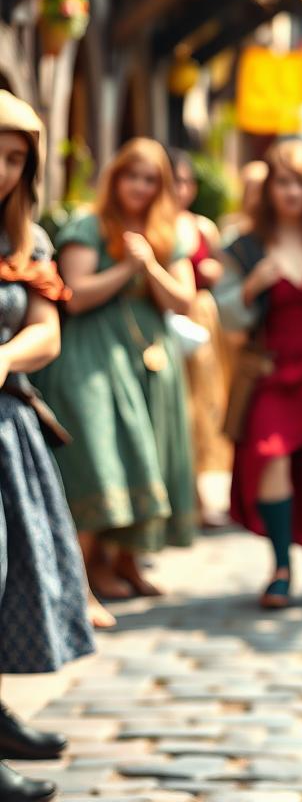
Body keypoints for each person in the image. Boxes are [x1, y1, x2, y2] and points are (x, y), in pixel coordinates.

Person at [34, 138, 197, 602]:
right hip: (94, 355)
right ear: (115, 178)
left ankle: (125, 563)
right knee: (104, 459)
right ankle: (87, 574)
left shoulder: (168, 231)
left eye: (150, 179)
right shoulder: (89, 225)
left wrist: (150, 266)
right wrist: (129, 267)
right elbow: (76, 293)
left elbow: (183, 300)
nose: (140, 188)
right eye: (132, 176)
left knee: (150, 458)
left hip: (148, 356)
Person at [0, 93, 93, 802]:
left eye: (16, 158)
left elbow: (46, 331)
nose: (2, 170)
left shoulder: (25, 241)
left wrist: (4, 359)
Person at [215, 141, 302, 609]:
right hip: (272, 376)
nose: (291, 191)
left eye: (298, 181)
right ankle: (279, 565)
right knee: (270, 457)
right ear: (268, 188)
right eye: (281, 181)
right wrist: (251, 287)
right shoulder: (245, 248)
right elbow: (227, 318)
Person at [169, 150, 233, 526]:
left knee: (204, 404)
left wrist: (210, 271)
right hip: (167, 318)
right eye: (174, 180)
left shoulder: (202, 227)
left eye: (185, 181)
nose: (180, 189)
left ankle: (196, 495)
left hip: (200, 318)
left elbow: (224, 271)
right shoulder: (155, 223)